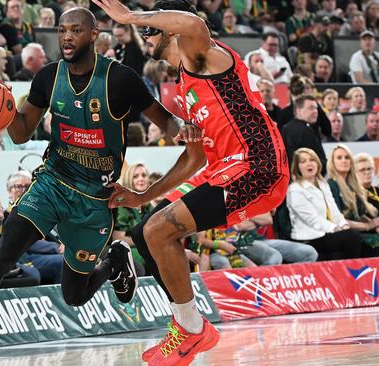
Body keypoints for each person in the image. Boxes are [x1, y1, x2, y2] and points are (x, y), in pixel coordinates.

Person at [0, 7, 183, 365]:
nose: (68, 37)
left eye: (76, 30)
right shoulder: (47, 77)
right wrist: (5, 107)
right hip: (53, 182)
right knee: (3, 254)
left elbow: (166, 123)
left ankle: (115, 260)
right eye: (62, 31)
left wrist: (187, 130)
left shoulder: (120, 79)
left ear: (94, 36)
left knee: (74, 295)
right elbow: (22, 131)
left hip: (94, 200)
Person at [94, 0, 289, 364]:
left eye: (149, 30)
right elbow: (195, 157)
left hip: (257, 162)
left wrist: (131, 16)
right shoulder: (184, 88)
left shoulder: (204, 56)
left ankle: (192, 329)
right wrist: (142, 195)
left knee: (159, 231)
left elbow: (195, 24)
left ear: (170, 30)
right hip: (221, 167)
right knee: (143, 233)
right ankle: (188, 325)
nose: (144, 37)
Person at [287, 148, 363, 260]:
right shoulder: (295, 189)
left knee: (353, 236)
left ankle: (351, 271)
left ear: (317, 163)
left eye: (312, 160)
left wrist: (343, 225)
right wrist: (335, 228)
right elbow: (312, 219)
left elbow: (334, 211)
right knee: (352, 237)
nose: (309, 163)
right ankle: (353, 272)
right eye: (303, 161)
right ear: (297, 167)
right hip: (309, 238)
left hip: (325, 234)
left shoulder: (323, 184)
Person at [327, 145, 379, 256]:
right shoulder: (331, 185)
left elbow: (360, 215)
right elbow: (339, 220)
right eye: (339, 158)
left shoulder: (352, 185)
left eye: (347, 157)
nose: (344, 160)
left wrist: (376, 226)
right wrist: (368, 226)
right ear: (332, 162)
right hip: (343, 233)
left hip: (357, 231)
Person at [113, 163, 152, 276]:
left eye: (144, 175)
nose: (141, 179)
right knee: (147, 258)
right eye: (136, 176)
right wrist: (145, 241)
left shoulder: (148, 205)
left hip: (143, 246)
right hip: (122, 248)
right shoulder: (121, 202)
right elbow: (118, 237)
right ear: (129, 180)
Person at [281, 95, 327, 172]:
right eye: (311, 108)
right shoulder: (304, 130)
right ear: (298, 111)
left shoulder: (286, 128)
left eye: (316, 108)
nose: (315, 111)